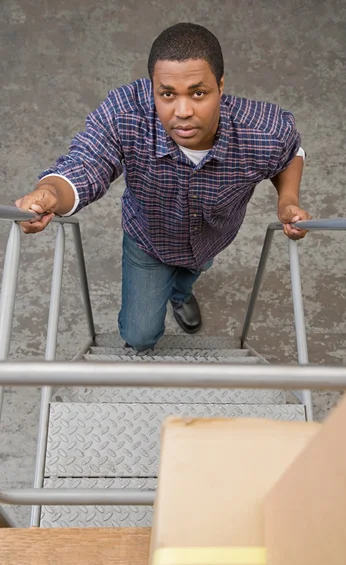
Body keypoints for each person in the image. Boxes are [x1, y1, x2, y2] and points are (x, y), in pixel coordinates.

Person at [16, 22, 311, 352]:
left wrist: (287, 199)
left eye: (198, 93)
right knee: (139, 335)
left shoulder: (263, 128)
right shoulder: (125, 113)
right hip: (148, 241)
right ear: (152, 87)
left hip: (211, 236)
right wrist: (51, 193)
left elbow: (289, 154)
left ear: (221, 85)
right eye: (167, 94)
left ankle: (180, 295)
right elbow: (87, 161)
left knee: (189, 275)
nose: (183, 112)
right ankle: (167, 299)